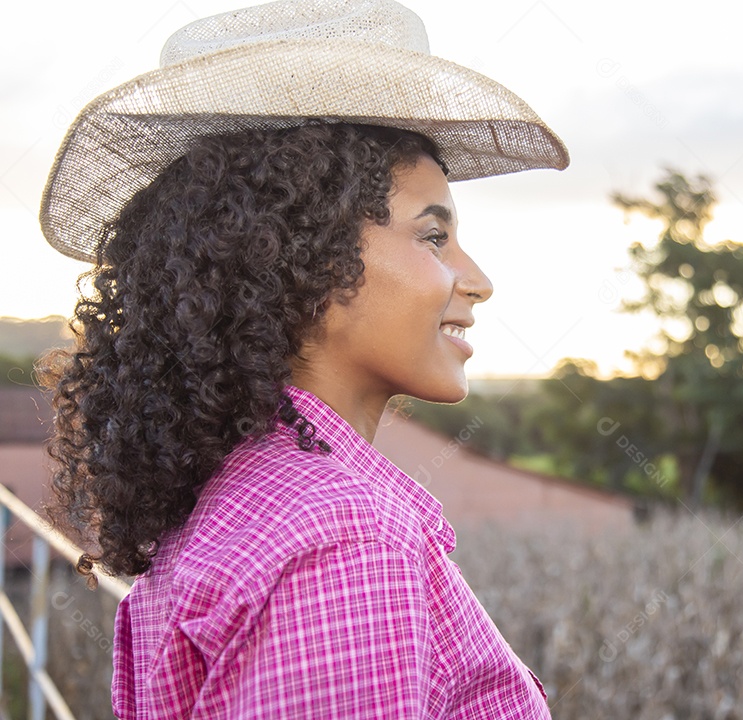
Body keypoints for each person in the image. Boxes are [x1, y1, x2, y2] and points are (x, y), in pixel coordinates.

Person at [37, 1, 568, 717]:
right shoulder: (343, 534)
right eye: (434, 236)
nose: (476, 279)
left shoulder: (243, 495)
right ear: (299, 263)